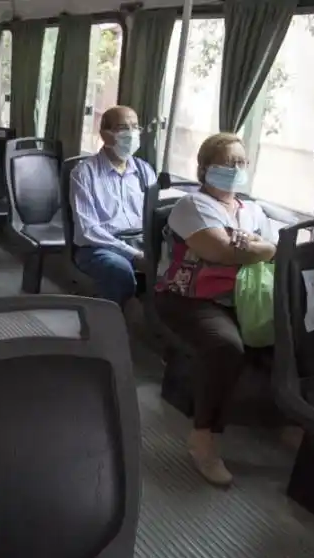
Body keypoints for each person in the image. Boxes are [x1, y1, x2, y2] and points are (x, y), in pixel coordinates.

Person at [154, 132, 278, 487]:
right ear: (206, 169)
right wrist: (259, 247)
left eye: (241, 162)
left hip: (240, 299)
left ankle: (283, 421)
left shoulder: (251, 210)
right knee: (226, 347)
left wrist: (258, 247)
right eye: (226, 163)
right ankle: (204, 438)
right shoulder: (192, 206)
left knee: (291, 333)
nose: (235, 169)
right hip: (187, 299)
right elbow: (220, 251)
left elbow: (274, 248)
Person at [69, 106, 157, 308]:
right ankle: (111, 324)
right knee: (119, 269)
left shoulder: (144, 171)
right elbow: (87, 230)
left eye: (135, 127)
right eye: (122, 128)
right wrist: (133, 255)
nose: (131, 133)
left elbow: (154, 216)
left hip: (141, 241)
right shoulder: (84, 173)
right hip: (99, 246)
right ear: (104, 135)